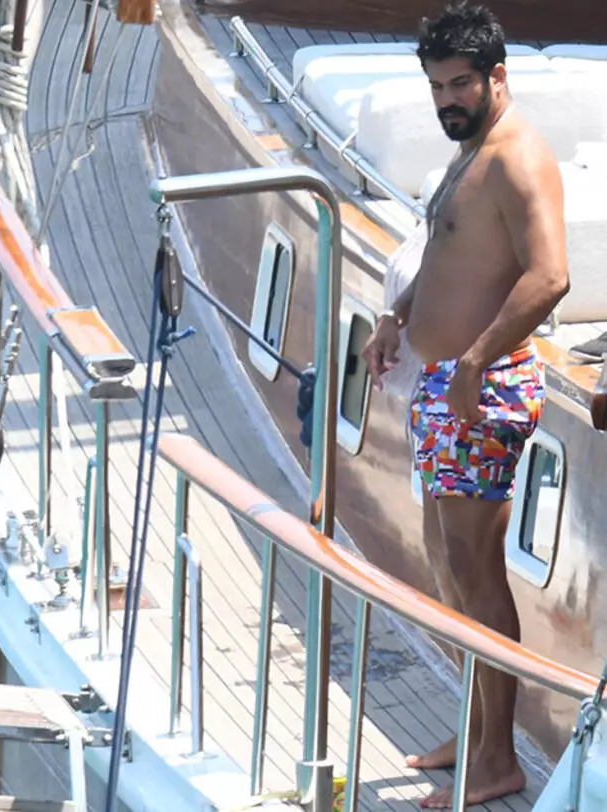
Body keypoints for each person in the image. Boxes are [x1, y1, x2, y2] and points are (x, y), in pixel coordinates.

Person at [361, 3, 569, 808]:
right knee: (446, 568)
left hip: (483, 389)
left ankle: (497, 759)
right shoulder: (471, 148)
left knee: (477, 577)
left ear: (496, 76)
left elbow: (549, 276)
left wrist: (474, 363)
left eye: (459, 84)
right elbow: (450, 252)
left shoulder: (519, 159)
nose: (447, 100)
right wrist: (397, 314)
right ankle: (473, 728)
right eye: (437, 87)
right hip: (446, 384)